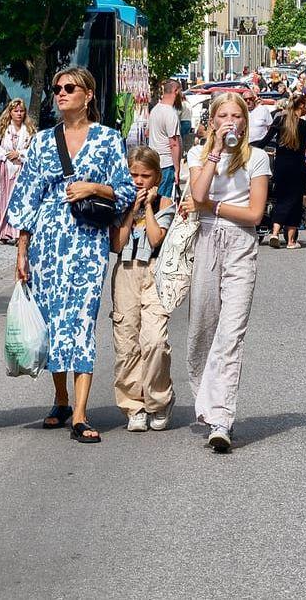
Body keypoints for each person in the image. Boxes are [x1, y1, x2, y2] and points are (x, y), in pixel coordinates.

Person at [10, 66, 135, 444]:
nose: (61, 93)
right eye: (57, 88)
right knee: (51, 321)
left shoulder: (109, 140)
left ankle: (80, 413)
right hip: (48, 242)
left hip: (87, 242)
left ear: (88, 94)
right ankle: (61, 398)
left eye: (69, 88)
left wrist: (94, 187)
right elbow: (26, 196)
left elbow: (127, 191)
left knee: (80, 321)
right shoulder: (44, 142)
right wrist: (22, 250)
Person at [186, 92, 271, 453]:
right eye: (223, 116)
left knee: (231, 332)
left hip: (240, 245)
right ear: (213, 120)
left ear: (245, 121)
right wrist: (215, 152)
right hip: (206, 241)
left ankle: (222, 418)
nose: (230, 122)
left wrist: (214, 206)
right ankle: (206, 404)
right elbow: (196, 191)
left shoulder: (257, 158)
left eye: (237, 116)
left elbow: (254, 214)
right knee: (201, 332)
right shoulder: (199, 154)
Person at [110, 145, 176, 432]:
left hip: (153, 272)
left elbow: (156, 238)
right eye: (133, 174)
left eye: (145, 175)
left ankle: (159, 400)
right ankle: (133, 404)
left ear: (156, 178)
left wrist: (147, 206)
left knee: (154, 340)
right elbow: (117, 244)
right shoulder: (120, 203)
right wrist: (130, 211)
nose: (138, 181)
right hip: (126, 271)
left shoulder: (165, 204)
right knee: (127, 342)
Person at [266, 95, 306, 249]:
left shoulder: (279, 120)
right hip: (297, 167)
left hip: (280, 166)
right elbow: (303, 150)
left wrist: (249, 148)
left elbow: (265, 140)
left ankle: (274, 232)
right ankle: (291, 241)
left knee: (281, 199)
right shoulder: (304, 125)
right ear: (302, 105)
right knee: (295, 202)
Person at [0, 98, 35, 245]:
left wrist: (20, 154)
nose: (19, 114)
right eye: (16, 111)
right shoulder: (1, 128)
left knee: (18, 200)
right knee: (3, 200)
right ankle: (3, 232)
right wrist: (6, 154)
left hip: (21, 168)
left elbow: (33, 150)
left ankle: (16, 233)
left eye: (21, 111)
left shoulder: (29, 130)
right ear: (10, 112)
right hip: (4, 167)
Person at [146, 81, 183, 199]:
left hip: (154, 161)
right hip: (166, 163)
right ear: (176, 91)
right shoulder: (170, 113)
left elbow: (147, 133)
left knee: (154, 198)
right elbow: (174, 144)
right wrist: (177, 169)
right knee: (164, 201)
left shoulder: (155, 109)